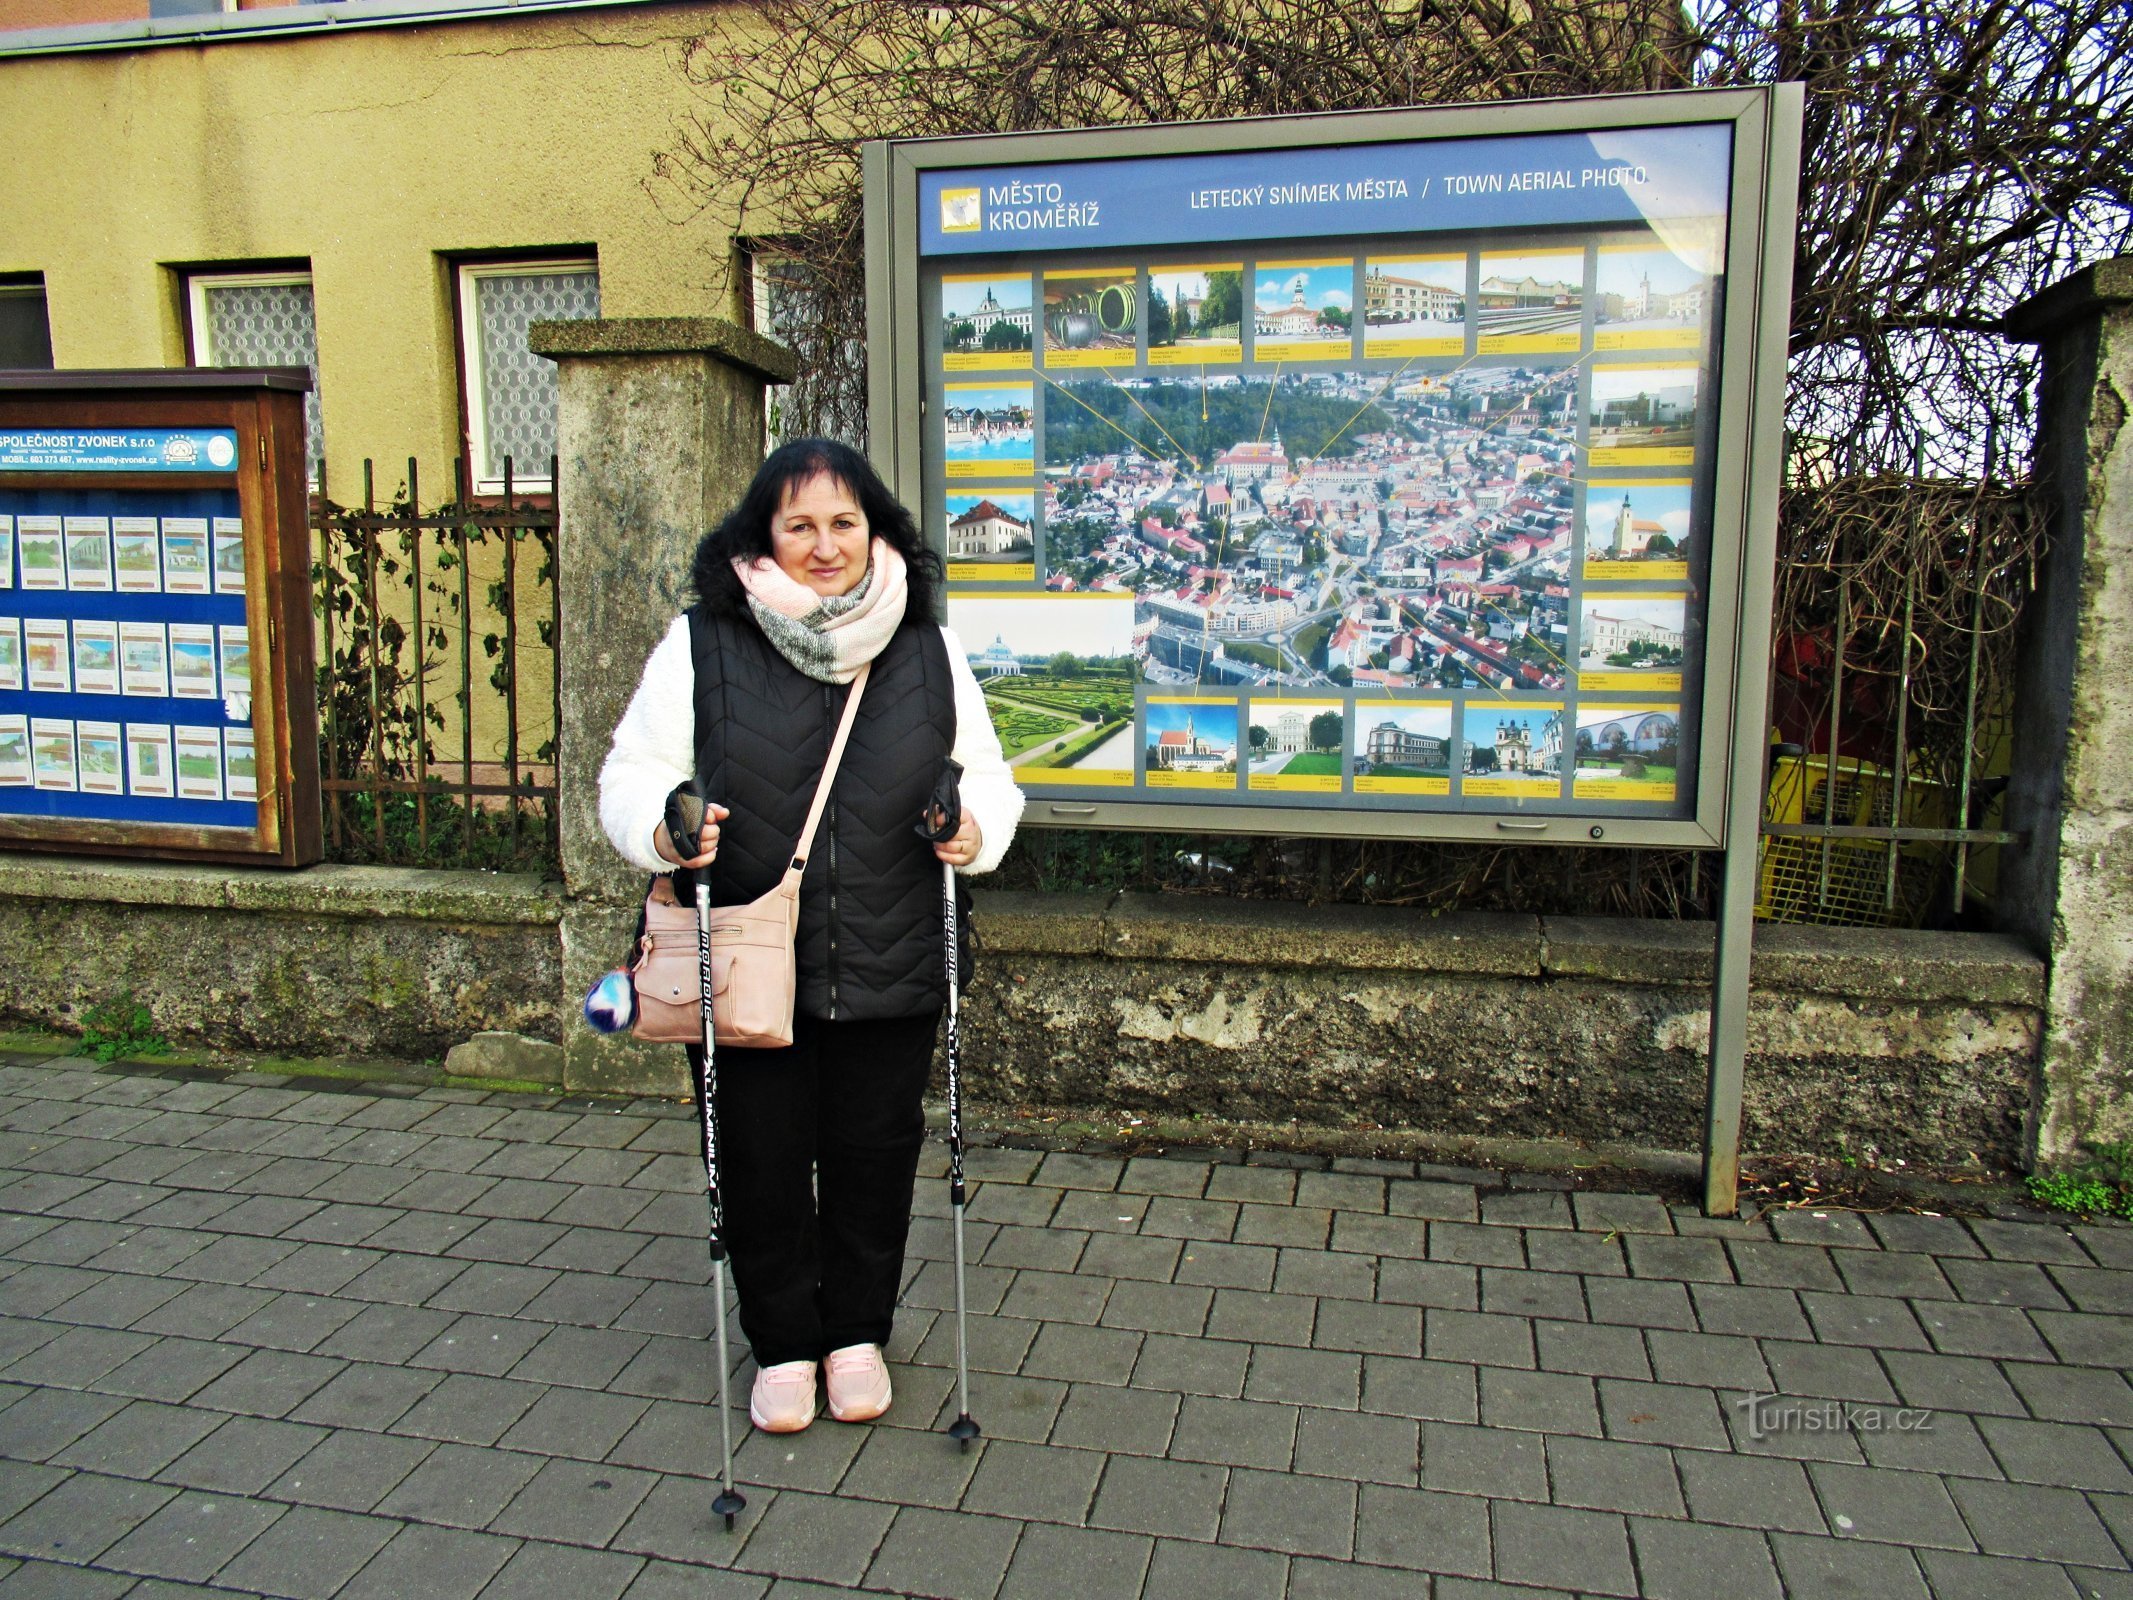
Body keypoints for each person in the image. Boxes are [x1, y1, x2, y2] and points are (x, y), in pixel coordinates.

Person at [599, 438, 1022, 1434]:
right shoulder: (702, 643)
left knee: (876, 1149)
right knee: (760, 1153)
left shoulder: (929, 649)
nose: (824, 545)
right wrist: (665, 820)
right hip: (746, 954)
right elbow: (627, 777)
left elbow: (992, 782)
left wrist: (975, 829)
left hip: (894, 944)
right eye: (800, 525)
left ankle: (856, 1334)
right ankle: (784, 1340)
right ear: (764, 535)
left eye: (843, 522)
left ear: (876, 530)